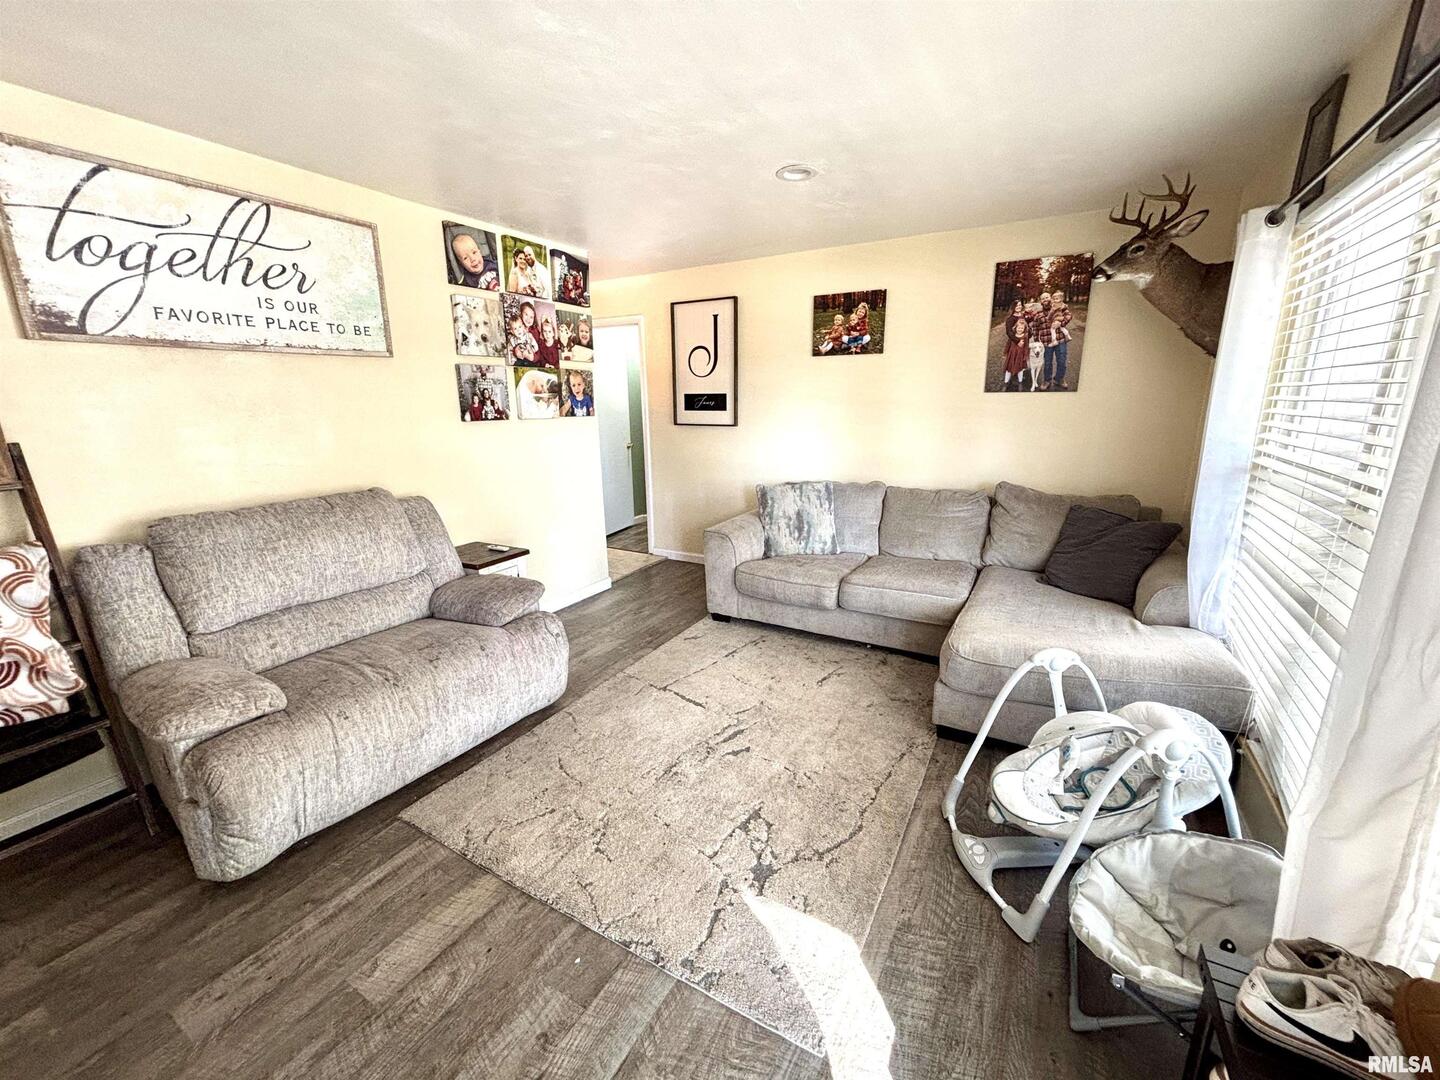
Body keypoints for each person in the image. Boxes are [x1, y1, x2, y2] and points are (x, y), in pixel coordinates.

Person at [1002, 300, 1028, 390]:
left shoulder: (1023, 316)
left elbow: (1026, 327)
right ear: (1013, 307)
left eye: (1020, 305)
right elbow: (1009, 332)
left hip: (1023, 341)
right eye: (1017, 305)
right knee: (1012, 359)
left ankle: (1019, 375)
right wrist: (1018, 341)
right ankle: (1008, 379)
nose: (1019, 306)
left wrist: (1027, 336)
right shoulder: (1010, 319)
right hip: (1014, 342)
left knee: (1020, 359)